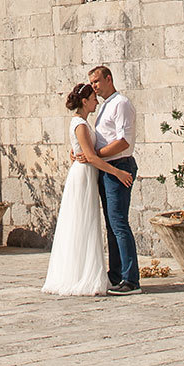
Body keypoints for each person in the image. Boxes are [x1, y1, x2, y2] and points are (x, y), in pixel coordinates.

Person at [41, 82, 135, 296]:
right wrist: (117, 172)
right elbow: (91, 156)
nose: (96, 101)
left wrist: (77, 153)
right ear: (85, 101)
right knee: (84, 223)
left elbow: (84, 151)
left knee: (86, 223)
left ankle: (95, 272)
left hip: (87, 173)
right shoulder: (81, 124)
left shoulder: (82, 122)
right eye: (93, 98)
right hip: (84, 175)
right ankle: (85, 275)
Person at [86, 64, 141, 294]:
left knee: (119, 222)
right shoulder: (105, 107)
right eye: (91, 83)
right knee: (111, 224)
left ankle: (131, 279)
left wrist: (96, 155)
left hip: (118, 165)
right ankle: (116, 274)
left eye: (97, 81)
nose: (94, 87)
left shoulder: (121, 104)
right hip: (107, 168)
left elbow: (123, 141)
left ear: (109, 79)